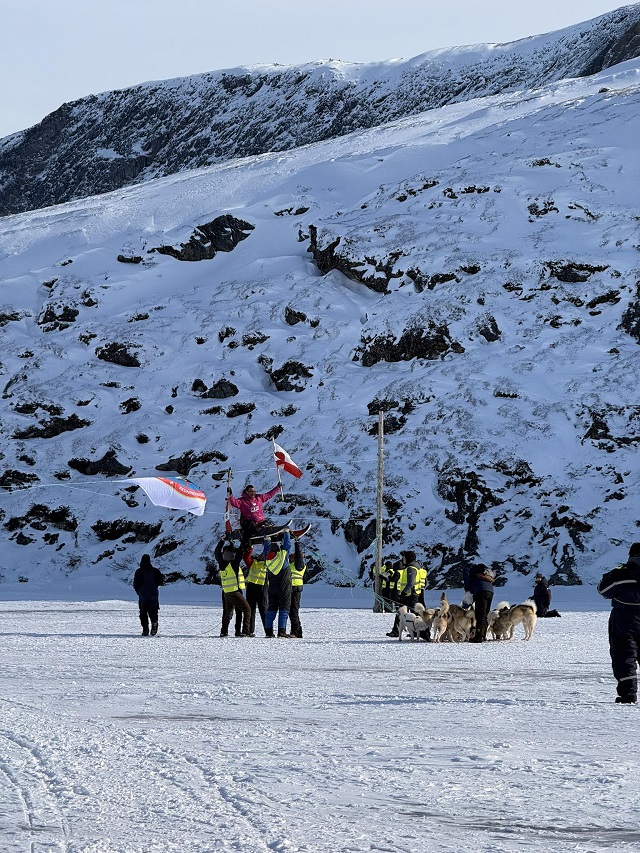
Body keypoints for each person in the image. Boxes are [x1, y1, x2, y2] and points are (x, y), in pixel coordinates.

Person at [597, 542, 640, 704]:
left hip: (624, 619)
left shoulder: (621, 574)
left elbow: (603, 590)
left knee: (624, 657)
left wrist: (610, 575)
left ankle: (628, 694)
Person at [214, 538, 251, 637]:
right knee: (247, 610)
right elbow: (240, 553)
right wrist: (244, 542)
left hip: (227, 592)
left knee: (228, 612)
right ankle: (245, 631)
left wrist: (222, 541)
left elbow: (217, 553)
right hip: (235, 591)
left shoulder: (221, 564)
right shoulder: (234, 564)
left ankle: (224, 631)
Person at [263, 529, 292, 638]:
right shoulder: (282, 558)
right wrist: (287, 533)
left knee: (271, 610)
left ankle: (268, 632)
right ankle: (281, 632)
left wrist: (267, 540)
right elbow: (287, 546)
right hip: (284, 589)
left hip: (272, 589)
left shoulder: (267, 560)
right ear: (277, 552)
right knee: (284, 610)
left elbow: (266, 551)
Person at [386, 551, 422, 637]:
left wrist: (403, 593)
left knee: (414, 614)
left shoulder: (411, 568)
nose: (402, 559)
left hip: (410, 595)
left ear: (408, 558)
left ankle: (419, 631)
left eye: (404, 557)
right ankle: (396, 630)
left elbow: (410, 583)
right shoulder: (411, 567)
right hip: (409, 595)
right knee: (401, 612)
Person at [133, 553, 164, 636]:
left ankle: (145, 629)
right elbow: (161, 582)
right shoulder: (155, 571)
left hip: (143, 595)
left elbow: (135, 584)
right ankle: (154, 623)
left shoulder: (138, 571)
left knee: (143, 612)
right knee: (153, 611)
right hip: (153, 594)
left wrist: (138, 592)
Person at [243, 544, 269, 636]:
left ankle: (268, 631)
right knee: (250, 610)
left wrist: (267, 543)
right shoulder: (253, 563)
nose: (261, 556)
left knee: (264, 610)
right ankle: (249, 630)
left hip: (262, 588)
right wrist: (251, 547)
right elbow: (246, 557)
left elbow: (267, 554)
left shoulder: (267, 564)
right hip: (251, 587)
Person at [467, 563, 495, 643]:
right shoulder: (486, 574)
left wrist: (469, 592)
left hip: (481, 591)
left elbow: (468, 582)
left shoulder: (471, 571)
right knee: (485, 614)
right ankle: (483, 635)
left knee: (480, 614)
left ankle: (479, 636)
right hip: (490, 591)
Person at [289, 538, 306, 638]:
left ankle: (296, 632)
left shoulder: (299, 565)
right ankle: (297, 631)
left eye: (292, 557)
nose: (290, 558)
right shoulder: (292, 565)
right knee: (292, 611)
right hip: (291, 589)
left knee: (294, 611)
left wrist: (297, 543)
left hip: (296, 589)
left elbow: (298, 555)